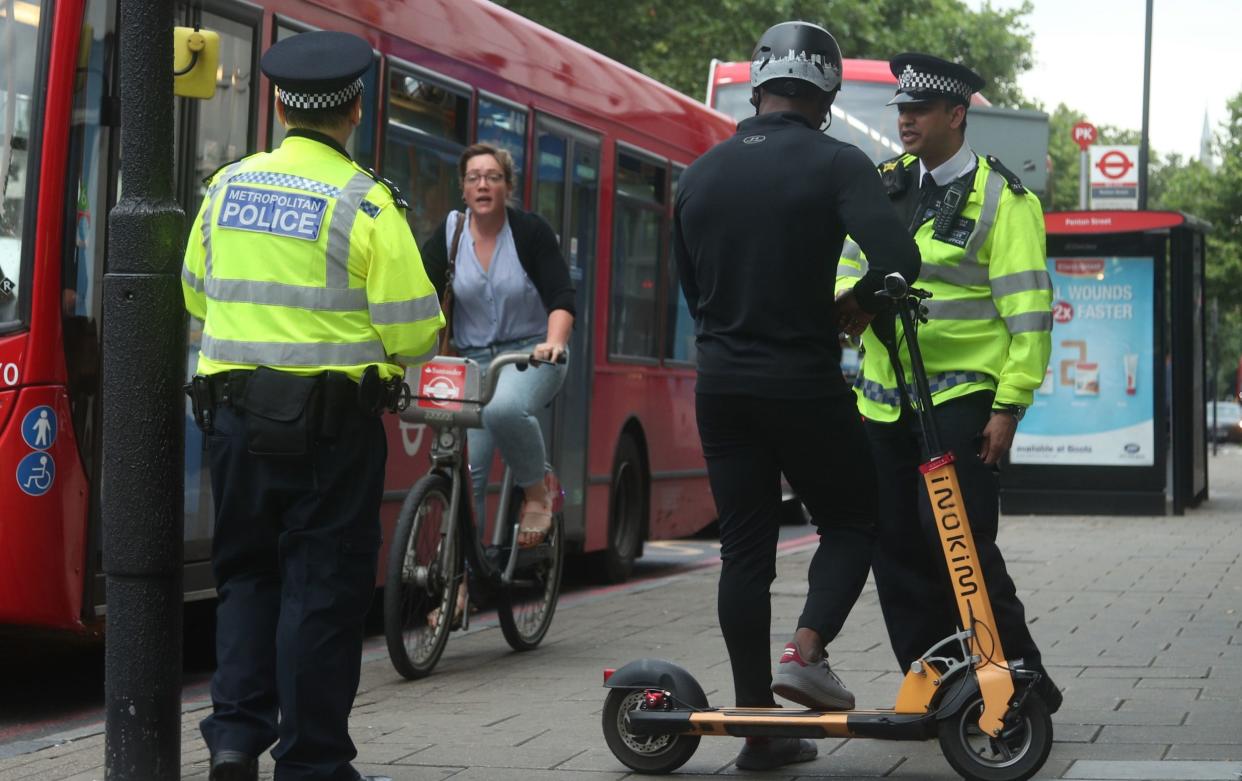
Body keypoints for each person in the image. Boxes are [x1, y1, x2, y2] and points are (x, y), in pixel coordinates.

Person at [181, 31, 444, 781]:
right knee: (319, 591)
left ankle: (233, 741)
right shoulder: (366, 203)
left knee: (246, 577)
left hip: (232, 419)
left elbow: (196, 290)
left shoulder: (226, 187)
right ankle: (313, 761)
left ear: (275, 103)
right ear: (355, 110)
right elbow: (415, 330)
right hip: (332, 433)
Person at [673, 21, 921, 771]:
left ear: (757, 85)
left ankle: (760, 732)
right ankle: (807, 651)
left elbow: (692, 289)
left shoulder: (702, 172)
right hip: (803, 383)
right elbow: (900, 258)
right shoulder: (838, 162)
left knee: (743, 553)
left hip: (720, 386)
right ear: (826, 91)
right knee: (855, 516)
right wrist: (862, 302)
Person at [834, 52, 1062, 713]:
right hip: (883, 401)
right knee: (896, 545)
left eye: (919, 110)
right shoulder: (879, 186)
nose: (905, 119)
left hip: (963, 399)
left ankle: (1021, 679)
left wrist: (1010, 404)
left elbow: (1029, 313)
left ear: (956, 116)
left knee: (959, 542)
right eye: (901, 109)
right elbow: (845, 268)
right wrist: (853, 296)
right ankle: (938, 683)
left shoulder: (1005, 200)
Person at [420, 142, 574, 617]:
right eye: (473, 177)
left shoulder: (528, 232)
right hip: (470, 363)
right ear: (463, 188)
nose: (482, 185)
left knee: (507, 408)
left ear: (507, 186)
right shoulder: (450, 234)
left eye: (492, 177)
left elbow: (561, 296)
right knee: (465, 473)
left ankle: (536, 493)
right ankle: (457, 587)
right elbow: (417, 295)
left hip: (530, 353)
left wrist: (553, 341)